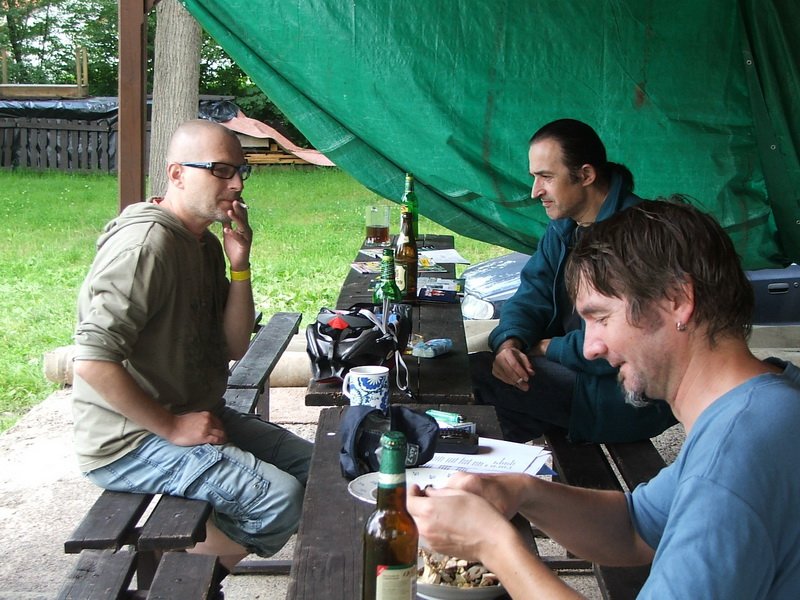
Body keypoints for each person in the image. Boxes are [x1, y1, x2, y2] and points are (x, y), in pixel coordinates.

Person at [410, 199, 800, 599]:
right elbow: (636, 527)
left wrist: (493, 544)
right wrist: (523, 492)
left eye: (601, 318)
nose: (590, 347)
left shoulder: (736, 454)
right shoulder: (766, 405)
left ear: (678, 301)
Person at [71, 119, 313, 574]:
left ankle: (185, 561)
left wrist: (240, 264)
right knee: (280, 500)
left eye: (240, 171)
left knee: (319, 469)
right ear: (177, 173)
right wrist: (171, 426)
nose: (237, 184)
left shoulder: (202, 243)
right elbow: (91, 361)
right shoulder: (146, 247)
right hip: (128, 441)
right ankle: (174, 570)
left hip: (195, 413)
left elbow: (234, 344)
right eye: (221, 170)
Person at [471, 118, 675, 443]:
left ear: (586, 175)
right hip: (577, 373)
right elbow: (531, 294)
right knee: (493, 409)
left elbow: (627, 340)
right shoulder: (565, 227)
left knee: (469, 375)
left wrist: (546, 348)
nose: (535, 191)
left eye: (546, 177)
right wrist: (510, 343)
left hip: (621, 393)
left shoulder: (638, 236)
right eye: (534, 177)